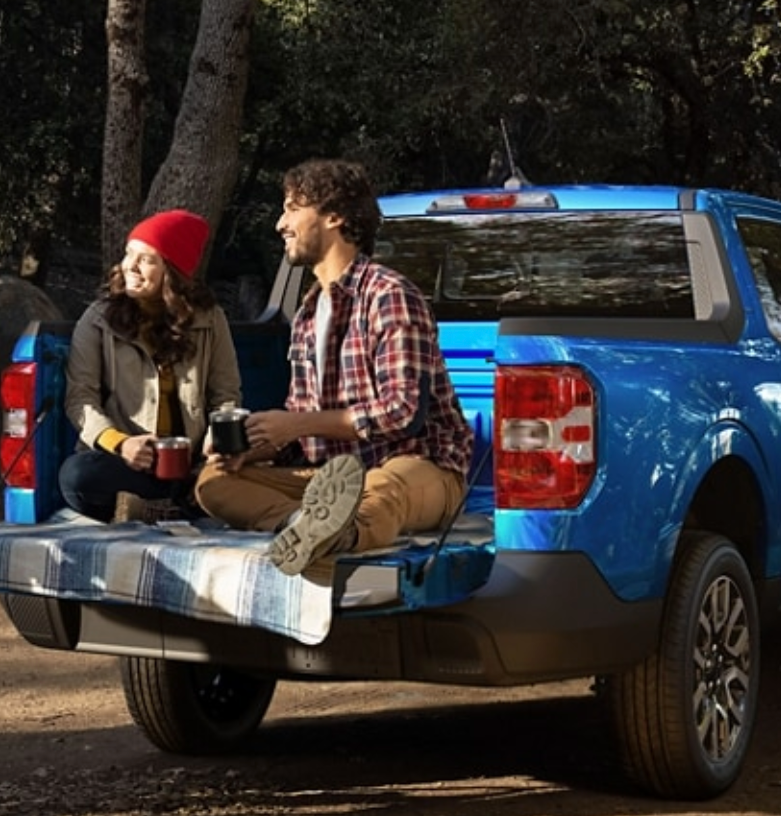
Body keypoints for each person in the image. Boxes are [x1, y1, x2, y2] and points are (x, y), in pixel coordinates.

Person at [194, 158, 472, 577]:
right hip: (327, 480)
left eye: (291, 208)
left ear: (335, 216)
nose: (279, 224)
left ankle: (340, 532)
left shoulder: (388, 295)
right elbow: (298, 432)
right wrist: (250, 447)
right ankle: (299, 526)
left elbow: (404, 413)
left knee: (384, 490)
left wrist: (297, 424)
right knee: (213, 482)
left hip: (419, 466)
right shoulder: (307, 312)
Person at [58, 208, 243, 522]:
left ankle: (169, 505)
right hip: (129, 465)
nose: (131, 266)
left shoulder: (210, 319)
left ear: (172, 271)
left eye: (146, 259)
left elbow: (225, 394)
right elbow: (80, 399)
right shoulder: (98, 319)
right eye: (129, 254)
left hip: (192, 467)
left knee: (251, 474)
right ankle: (173, 508)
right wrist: (122, 443)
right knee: (78, 476)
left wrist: (220, 441)